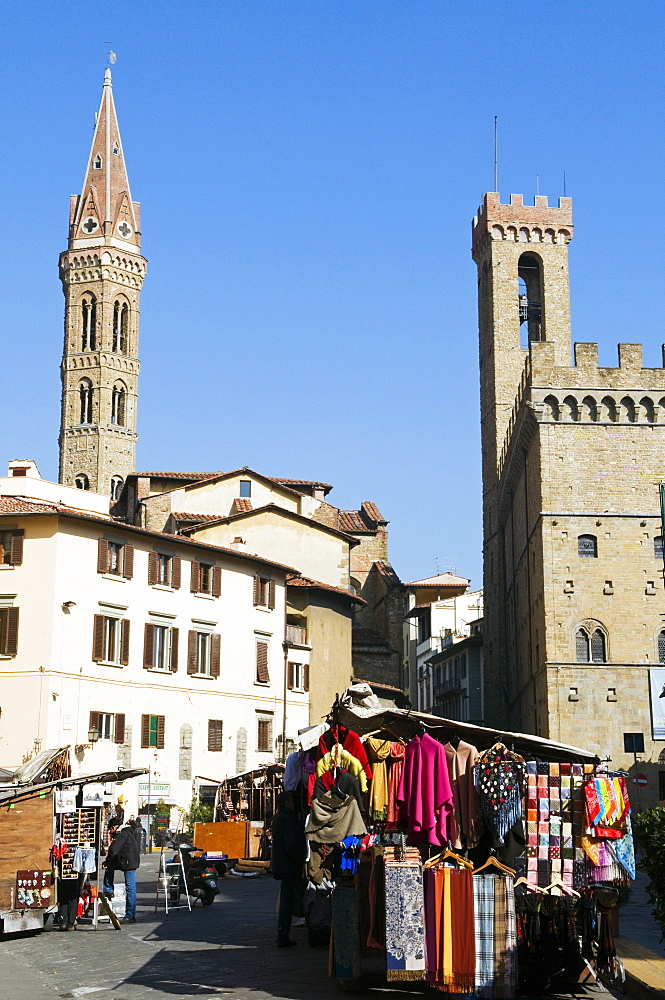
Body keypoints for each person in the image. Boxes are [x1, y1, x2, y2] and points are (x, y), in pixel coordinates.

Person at [271, 791, 307, 947]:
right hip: (290, 866)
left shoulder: (278, 818)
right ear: (286, 802)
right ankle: (314, 930)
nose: (294, 804)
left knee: (286, 901)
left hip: (282, 865)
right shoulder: (289, 819)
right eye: (292, 801)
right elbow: (291, 844)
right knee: (302, 897)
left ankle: (282, 934)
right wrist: (299, 858)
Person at [103, 817, 140, 922]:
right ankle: (108, 889)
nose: (110, 833)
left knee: (130, 888)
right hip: (129, 860)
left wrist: (107, 861)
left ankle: (108, 890)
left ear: (114, 828)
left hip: (128, 862)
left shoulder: (122, 834)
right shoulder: (127, 832)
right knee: (130, 887)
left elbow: (114, 850)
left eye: (110, 830)